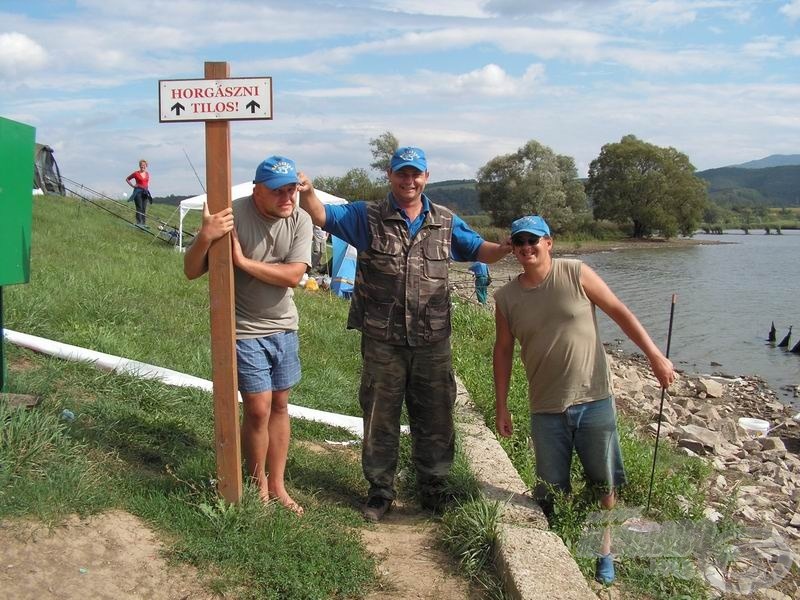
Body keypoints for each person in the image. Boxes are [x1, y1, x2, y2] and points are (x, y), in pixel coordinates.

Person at [298, 146, 512, 522]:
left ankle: (434, 489)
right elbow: (320, 215)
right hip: (383, 340)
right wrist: (308, 191)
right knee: (380, 415)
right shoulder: (366, 216)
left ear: (426, 177)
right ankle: (380, 491)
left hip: (433, 342)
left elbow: (481, 250)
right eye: (402, 173)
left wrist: (511, 247)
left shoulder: (445, 221)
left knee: (436, 416)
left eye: (416, 174)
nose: (408, 180)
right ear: (390, 176)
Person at [492, 215, 675, 584]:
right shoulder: (505, 297)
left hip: (594, 400)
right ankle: (561, 546)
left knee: (603, 485)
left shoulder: (576, 273)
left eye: (534, 240)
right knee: (551, 489)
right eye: (519, 242)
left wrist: (655, 356)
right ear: (512, 247)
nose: (527, 248)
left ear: (549, 243)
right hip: (545, 407)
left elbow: (619, 312)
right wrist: (501, 404)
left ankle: (605, 550)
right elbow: (503, 350)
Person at [184, 155, 312, 515]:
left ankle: (278, 485)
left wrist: (243, 264)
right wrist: (206, 236)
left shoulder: (300, 219)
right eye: (278, 192)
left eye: (292, 190)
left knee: (281, 405)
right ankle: (258, 486)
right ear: (257, 190)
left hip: (284, 326)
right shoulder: (232, 215)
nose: (287, 198)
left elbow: (292, 276)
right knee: (258, 408)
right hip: (243, 330)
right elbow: (192, 270)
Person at [126, 159, 152, 228]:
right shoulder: (136, 173)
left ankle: (143, 223)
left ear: (146, 166)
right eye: (141, 165)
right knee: (139, 207)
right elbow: (127, 179)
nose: (142, 166)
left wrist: (146, 188)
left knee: (144, 208)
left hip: (145, 192)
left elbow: (146, 182)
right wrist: (133, 185)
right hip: (138, 192)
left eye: (144, 165)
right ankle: (139, 223)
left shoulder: (147, 174)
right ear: (139, 166)